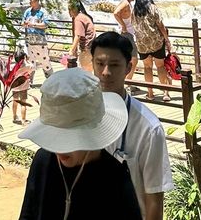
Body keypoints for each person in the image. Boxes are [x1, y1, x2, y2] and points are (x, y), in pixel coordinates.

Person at [18, 68, 142, 220]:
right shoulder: (43, 160)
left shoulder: (114, 178)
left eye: (67, 137)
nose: (59, 147)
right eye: (55, 136)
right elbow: (27, 214)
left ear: (90, 132)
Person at [92, 31, 173, 220]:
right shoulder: (79, 115)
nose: (105, 72)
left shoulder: (148, 128)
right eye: (100, 64)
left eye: (114, 65)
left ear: (128, 67)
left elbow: (154, 198)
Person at [132, 0, 171, 102]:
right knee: (160, 66)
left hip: (142, 44)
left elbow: (133, 25)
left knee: (147, 67)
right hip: (156, 42)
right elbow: (160, 24)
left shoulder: (134, 11)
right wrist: (166, 39)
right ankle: (165, 93)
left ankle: (150, 93)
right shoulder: (153, 8)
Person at [23, 0, 53, 84]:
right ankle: (29, 81)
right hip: (29, 39)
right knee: (30, 61)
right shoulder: (27, 11)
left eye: (31, 0)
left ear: (36, 0)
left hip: (39, 39)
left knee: (44, 60)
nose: (29, 1)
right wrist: (25, 24)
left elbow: (45, 24)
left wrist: (33, 24)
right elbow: (22, 22)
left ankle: (51, 80)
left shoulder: (43, 12)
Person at [113, 0, 139, 82]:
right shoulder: (125, 3)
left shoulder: (125, 2)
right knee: (134, 59)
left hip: (127, 34)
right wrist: (123, 26)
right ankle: (128, 82)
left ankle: (126, 81)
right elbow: (115, 13)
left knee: (128, 59)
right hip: (127, 34)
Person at [68, 0, 95, 72]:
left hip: (86, 49)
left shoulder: (78, 19)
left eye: (69, 9)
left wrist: (71, 50)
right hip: (91, 47)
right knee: (89, 71)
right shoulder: (84, 16)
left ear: (72, 9)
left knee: (85, 73)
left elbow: (78, 35)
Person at [12, 48, 34, 126]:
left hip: (14, 87)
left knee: (15, 101)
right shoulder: (28, 66)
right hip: (24, 87)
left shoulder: (13, 67)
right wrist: (27, 60)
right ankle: (23, 120)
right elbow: (32, 68)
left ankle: (14, 116)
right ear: (24, 57)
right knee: (23, 103)